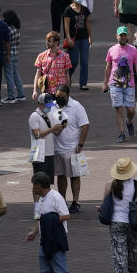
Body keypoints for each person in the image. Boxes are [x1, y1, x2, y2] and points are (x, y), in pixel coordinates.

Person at [24, 172, 75, 273]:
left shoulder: (56, 197)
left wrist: (49, 220)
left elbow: (66, 215)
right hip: (44, 242)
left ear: (39, 185)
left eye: (34, 185)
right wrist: (34, 232)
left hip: (56, 241)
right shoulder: (41, 200)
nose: (33, 188)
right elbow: (40, 220)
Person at [103, 157, 137, 273]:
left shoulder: (109, 185)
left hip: (116, 222)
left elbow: (105, 205)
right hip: (133, 222)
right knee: (133, 248)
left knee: (119, 251)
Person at [51, 84, 89, 212]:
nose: (59, 99)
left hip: (72, 148)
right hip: (57, 148)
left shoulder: (76, 106)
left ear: (68, 96)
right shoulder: (52, 106)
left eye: (62, 97)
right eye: (57, 96)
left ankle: (76, 201)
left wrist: (80, 144)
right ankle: (62, 200)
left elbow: (85, 125)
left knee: (74, 175)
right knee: (60, 176)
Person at [104, 26, 137, 144]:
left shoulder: (133, 50)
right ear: (117, 36)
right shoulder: (112, 50)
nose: (123, 37)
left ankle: (129, 121)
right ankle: (121, 133)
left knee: (131, 109)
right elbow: (108, 66)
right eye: (121, 35)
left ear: (128, 36)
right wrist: (105, 82)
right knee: (118, 108)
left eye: (125, 35)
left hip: (129, 83)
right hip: (115, 83)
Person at [62, 0, 92, 90]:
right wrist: (68, 38)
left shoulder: (85, 10)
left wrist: (90, 37)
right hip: (73, 40)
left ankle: (83, 83)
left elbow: (88, 24)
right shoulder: (68, 10)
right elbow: (66, 25)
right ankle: (68, 76)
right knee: (73, 61)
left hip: (84, 39)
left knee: (84, 61)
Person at [0, 10, 25, 104]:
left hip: (8, 55)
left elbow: (6, 43)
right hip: (16, 54)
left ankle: (11, 97)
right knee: (15, 74)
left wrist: (6, 54)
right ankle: (21, 94)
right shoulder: (16, 28)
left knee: (9, 76)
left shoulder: (8, 29)